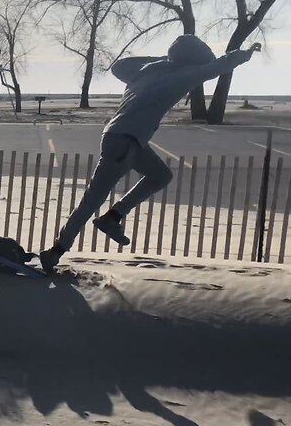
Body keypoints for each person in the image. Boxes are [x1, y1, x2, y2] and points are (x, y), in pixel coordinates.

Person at [38, 35, 260, 273]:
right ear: (193, 61)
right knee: (93, 199)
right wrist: (243, 54)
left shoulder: (145, 71)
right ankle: (56, 251)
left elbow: (118, 66)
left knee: (161, 175)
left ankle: (113, 217)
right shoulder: (182, 75)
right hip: (126, 141)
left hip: (121, 137)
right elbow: (217, 67)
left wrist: (165, 57)